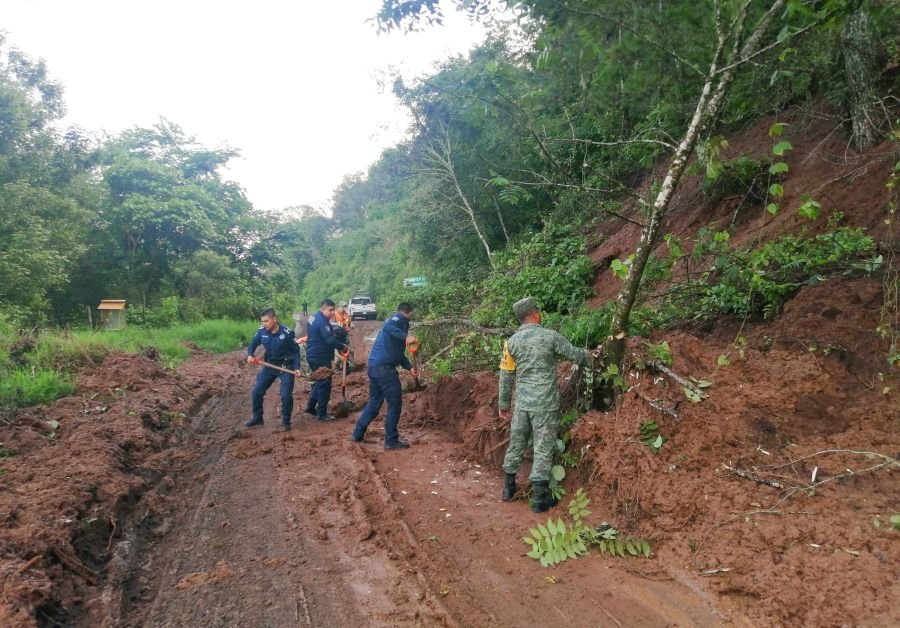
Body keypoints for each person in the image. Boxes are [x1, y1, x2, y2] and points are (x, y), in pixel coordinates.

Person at [498, 297, 590, 512]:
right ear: (536, 314)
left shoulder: (510, 343)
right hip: (545, 403)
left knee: (517, 442)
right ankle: (539, 499)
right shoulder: (550, 337)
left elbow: (505, 376)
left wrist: (503, 405)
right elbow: (574, 354)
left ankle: (508, 488)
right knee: (542, 446)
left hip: (522, 403)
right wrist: (590, 356)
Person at [351, 302, 418, 450]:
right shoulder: (397, 319)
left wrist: (410, 368)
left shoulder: (397, 324)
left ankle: (357, 433)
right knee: (395, 402)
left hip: (375, 366)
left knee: (375, 402)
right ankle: (391, 440)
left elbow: (398, 354)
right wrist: (406, 336)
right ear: (409, 314)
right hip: (384, 369)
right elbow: (387, 327)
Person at [245, 308, 301, 431]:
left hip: (286, 367)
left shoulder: (287, 333)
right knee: (256, 391)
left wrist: (297, 367)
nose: (264, 324)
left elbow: (296, 351)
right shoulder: (261, 332)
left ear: (274, 319)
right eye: (262, 321)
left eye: (266, 321)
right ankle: (257, 418)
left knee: (286, 395)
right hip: (270, 366)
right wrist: (250, 354)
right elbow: (253, 344)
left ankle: (286, 422)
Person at [304, 299, 349, 422]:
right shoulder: (322, 322)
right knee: (325, 384)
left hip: (313, 354)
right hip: (319, 355)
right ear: (323, 308)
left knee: (320, 381)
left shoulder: (313, 317)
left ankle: (310, 407)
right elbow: (329, 340)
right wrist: (343, 346)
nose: (333, 312)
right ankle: (322, 413)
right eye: (330, 310)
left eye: (333, 310)